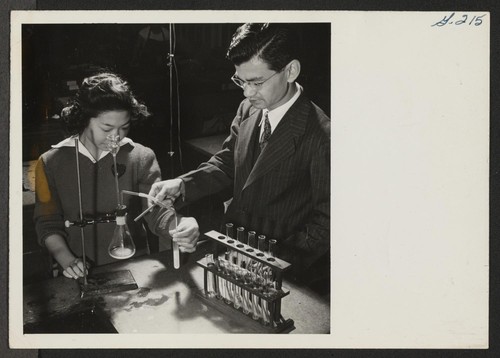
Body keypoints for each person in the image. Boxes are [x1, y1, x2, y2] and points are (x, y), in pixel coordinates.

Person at [149, 23, 330, 289]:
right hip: (232, 248)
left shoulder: (322, 134)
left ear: (291, 70)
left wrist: (278, 262)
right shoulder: (249, 107)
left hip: (282, 272)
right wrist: (183, 184)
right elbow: (228, 163)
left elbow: (327, 221)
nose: (246, 92)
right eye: (241, 81)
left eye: (256, 82)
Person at [34, 72, 199, 280]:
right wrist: (67, 260)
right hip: (75, 270)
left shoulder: (140, 156)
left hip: (134, 267)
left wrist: (181, 224)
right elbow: (47, 223)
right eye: (107, 128)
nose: (116, 137)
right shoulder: (50, 162)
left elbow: (156, 211)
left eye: (124, 127)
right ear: (84, 118)